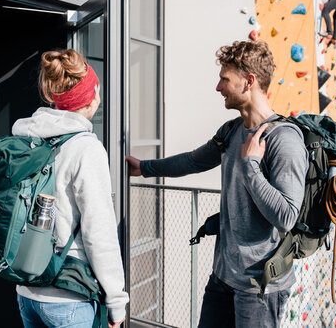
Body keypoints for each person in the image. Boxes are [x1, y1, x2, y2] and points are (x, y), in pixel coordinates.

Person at [126, 40, 308, 327]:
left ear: (249, 82)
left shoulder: (284, 140)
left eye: (225, 79)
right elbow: (193, 161)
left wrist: (251, 166)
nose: (218, 87)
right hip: (223, 277)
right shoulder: (232, 131)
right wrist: (144, 168)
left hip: (259, 287)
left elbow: (286, 217)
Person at [13, 49, 128, 328]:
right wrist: (116, 301)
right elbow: (98, 232)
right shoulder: (85, 148)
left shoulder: (28, 138)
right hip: (69, 296)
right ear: (93, 95)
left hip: (27, 292)